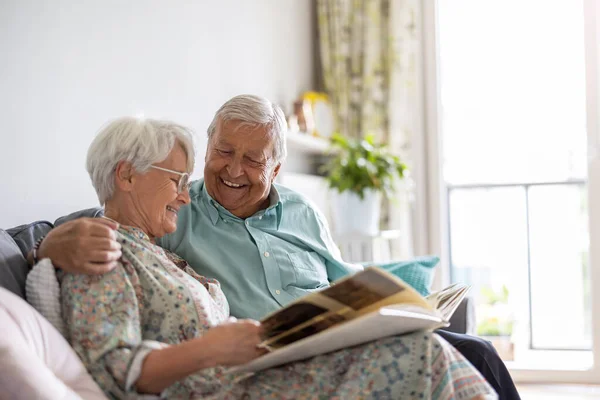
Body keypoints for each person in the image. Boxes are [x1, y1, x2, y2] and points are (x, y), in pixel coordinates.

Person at [35, 95, 518, 398]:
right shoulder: (156, 228)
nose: (232, 170)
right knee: (429, 359)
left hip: (319, 342)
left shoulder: (299, 213)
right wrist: (51, 245)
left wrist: (393, 305)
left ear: (276, 168)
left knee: (471, 350)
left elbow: (341, 277)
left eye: (252, 159)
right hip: (258, 366)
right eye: (222, 153)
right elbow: (97, 224)